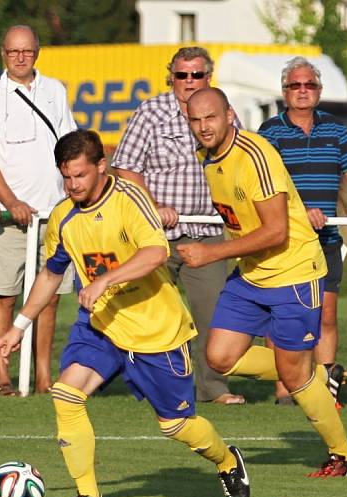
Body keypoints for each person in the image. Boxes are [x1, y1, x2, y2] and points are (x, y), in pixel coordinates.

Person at [0, 129, 250, 497]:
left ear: (101, 166)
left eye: (80, 175)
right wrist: (19, 326)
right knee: (66, 394)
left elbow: (156, 252)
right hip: (101, 326)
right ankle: (89, 495)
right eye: (66, 176)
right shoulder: (64, 217)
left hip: (156, 331)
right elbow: (50, 273)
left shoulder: (130, 199)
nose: (72, 184)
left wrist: (105, 281)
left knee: (177, 426)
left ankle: (228, 462)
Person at [180, 87, 347, 477]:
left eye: (210, 117)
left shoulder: (256, 155)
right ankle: (314, 375)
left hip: (294, 271)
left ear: (229, 115)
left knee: (294, 374)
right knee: (219, 357)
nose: (203, 127)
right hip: (252, 273)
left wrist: (210, 253)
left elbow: (277, 231)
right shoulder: (207, 158)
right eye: (195, 120)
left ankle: (345, 455)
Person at [112, 46, 244, 406]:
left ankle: (213, 388)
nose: (188, 82)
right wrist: (153, 207)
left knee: (215, 315)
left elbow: (240, 163)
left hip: (209, 235)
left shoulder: (222, 112)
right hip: (156, 236)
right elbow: (124, 169)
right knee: (151, 315)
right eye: (181, 75)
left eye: (196, 75)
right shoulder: (151, 112)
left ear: (208, 77)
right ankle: (146, 383)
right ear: (171, 76)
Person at [258, 56, 347, 406]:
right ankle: (284, 390)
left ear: (319, 91)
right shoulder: (270, 131)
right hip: (283, 241)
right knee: (282, 318)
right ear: (284, 91)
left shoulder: (338, 130)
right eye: (295, 85)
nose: (302, 91)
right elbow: (266, 183)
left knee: (326, 315)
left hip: (326, 241)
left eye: (309, 85)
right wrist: (299, 213)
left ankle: (327, 385)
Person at [0, 25, 77, 396]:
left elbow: (69, 148)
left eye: (26, 51)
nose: (20, 57)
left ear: (37, 52)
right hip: (10, 217)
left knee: (48, 300)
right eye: (13, 52)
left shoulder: (55, 91)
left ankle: (45, 378)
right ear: (3, 53)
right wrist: (11, 202)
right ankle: (2, 377)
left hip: (55, 214)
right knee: (5, 296)